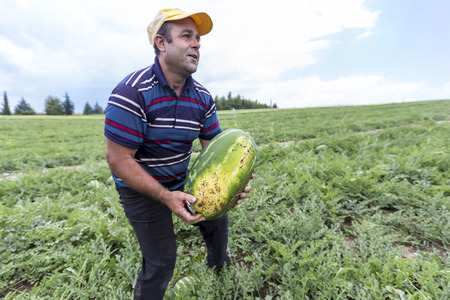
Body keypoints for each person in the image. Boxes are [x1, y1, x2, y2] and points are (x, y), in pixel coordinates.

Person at [104, 8, 252, 300]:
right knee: (161, 261)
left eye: (198, 39)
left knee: (217, 225)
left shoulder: (202, 98)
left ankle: (218, 267)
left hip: (182, 179)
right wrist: (164, 196)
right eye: (187, 36)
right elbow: (119, 160)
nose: (197, 44)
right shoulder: (131, 93)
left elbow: (217, 151)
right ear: (161, 43)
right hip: (141, 189)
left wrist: (237, 182)